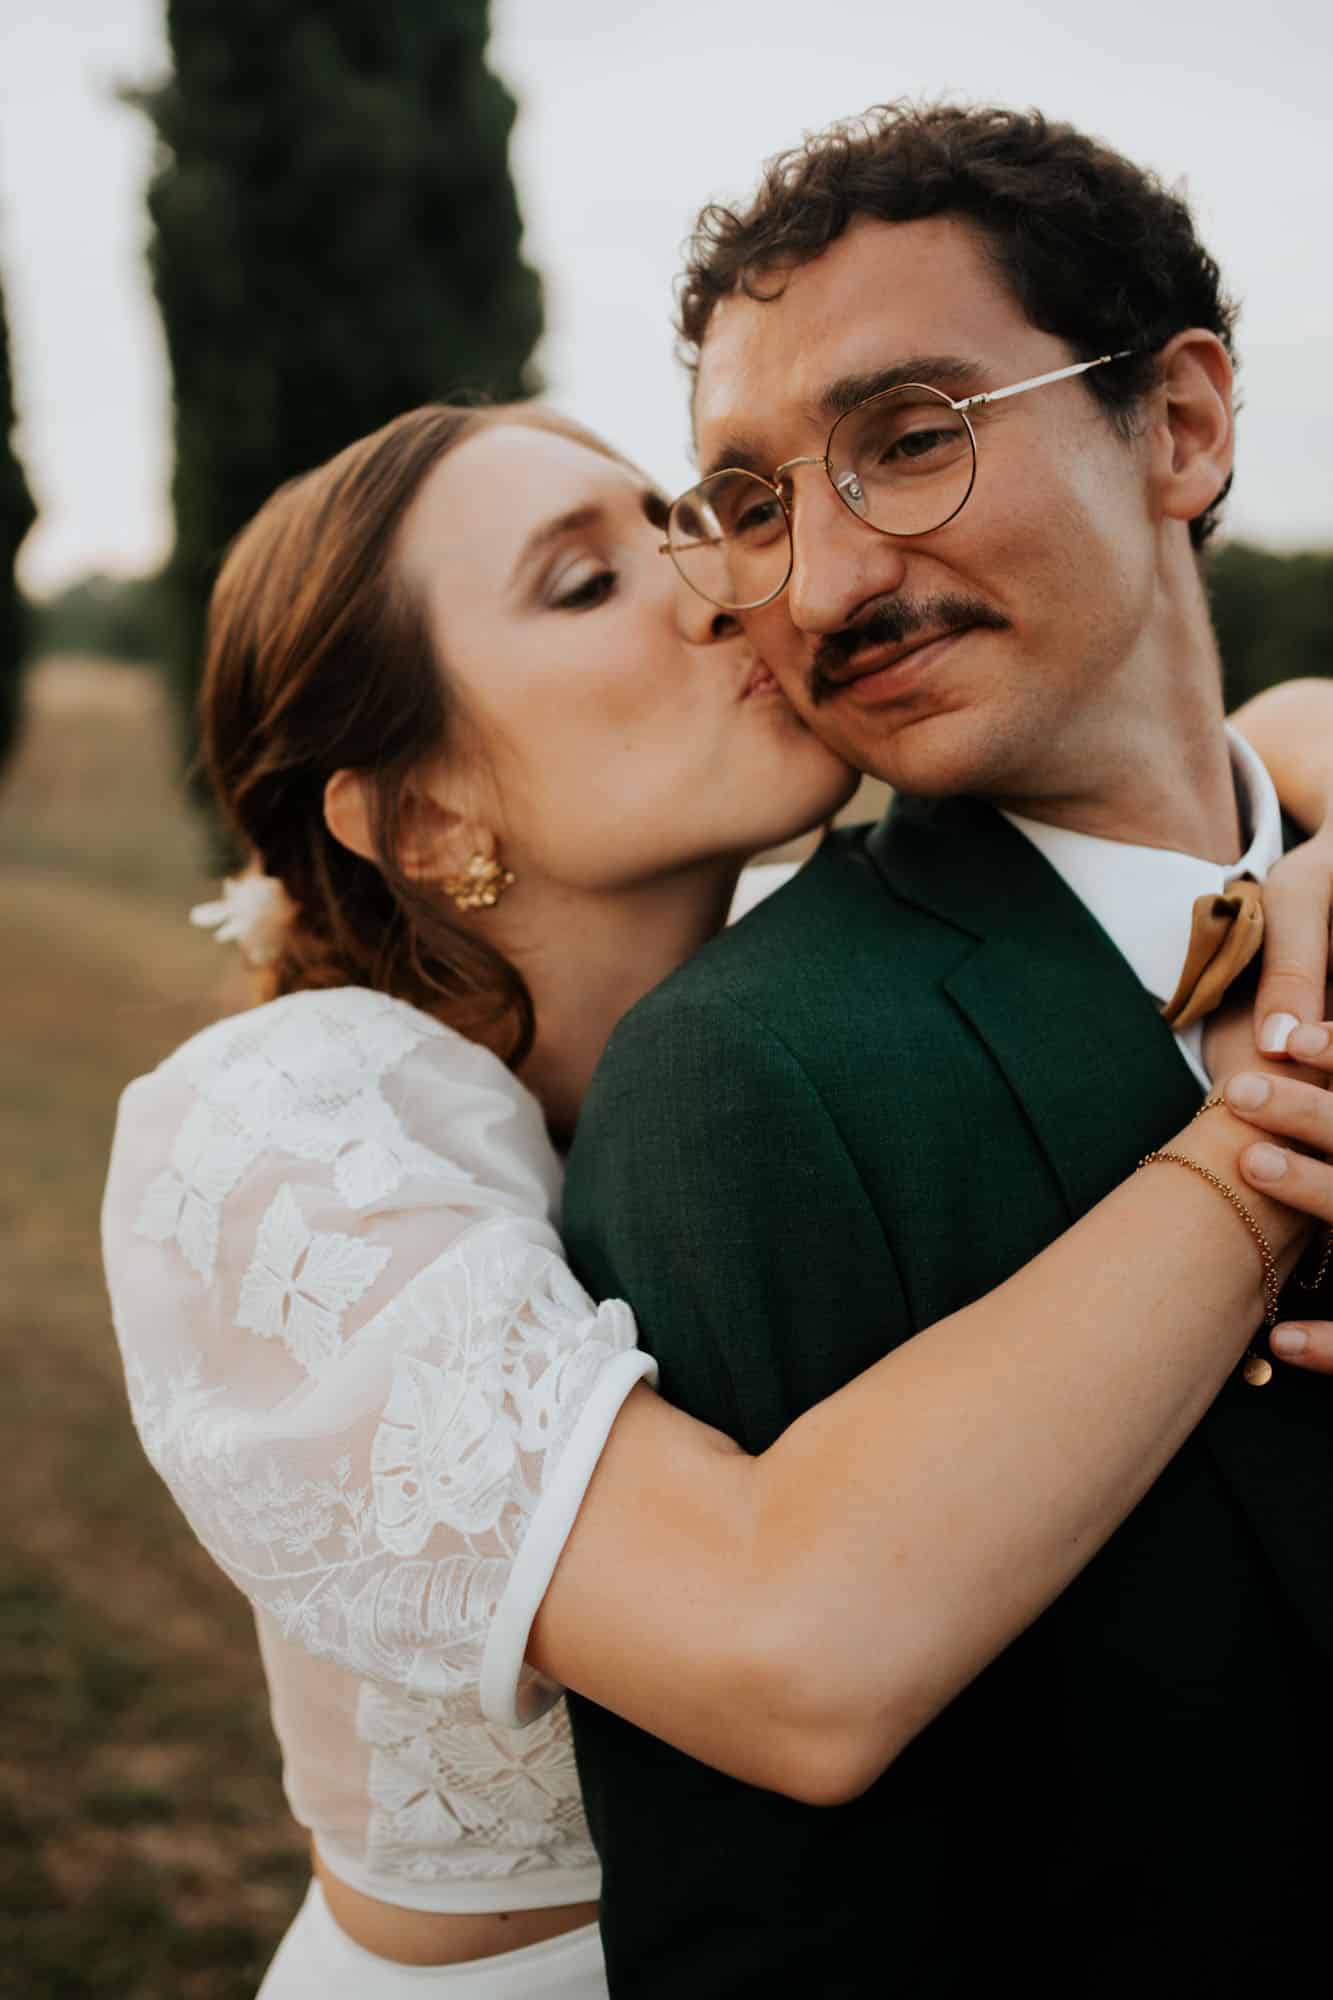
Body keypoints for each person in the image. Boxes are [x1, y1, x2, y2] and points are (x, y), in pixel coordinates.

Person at [100, 395, 1333, 2000]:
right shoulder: (285, 1125)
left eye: (677, 517)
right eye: (581, 583)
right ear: (419, 815)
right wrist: (1278, 1137)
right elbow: (787, 1656)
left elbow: (1252, 722)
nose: (717, 583)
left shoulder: (827, 977)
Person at [560, 104, 1333, 1998]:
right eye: (752, 504)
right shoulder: (748, 1077)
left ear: (1180, 426)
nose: (823, 587)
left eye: (907, 443)